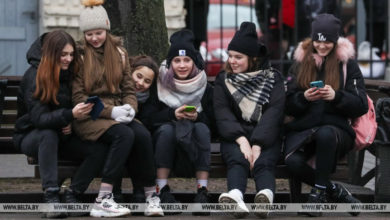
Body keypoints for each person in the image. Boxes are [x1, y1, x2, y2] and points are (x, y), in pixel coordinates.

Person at [73, 0, 162, 217]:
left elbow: (128, 89)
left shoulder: (120, 54)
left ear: (106, 29)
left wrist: (130, 108)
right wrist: (110, 112)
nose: (94, 38)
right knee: (123, 134)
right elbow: (79, 97)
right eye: (89, 34)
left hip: (118, 112)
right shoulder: (80, 57)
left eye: (98, 32)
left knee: (140, 134)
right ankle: (104, 198)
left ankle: (151, 196)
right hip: (89, 117)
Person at [13, 30, 108, 218]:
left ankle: (73, 194)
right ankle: (51, 197)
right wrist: (68, 115)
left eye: (71, 54)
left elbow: (69, 109)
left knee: (98, 149)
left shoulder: (71, 71)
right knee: (48, 135)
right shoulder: (34, 75)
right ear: (51, 53)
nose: (68, 59)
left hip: (62, 134)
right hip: (32, 135)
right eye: (63, 55)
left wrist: (72, 120)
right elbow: (39, 119)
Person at [284, 14, 366, 217]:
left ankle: (318, 195)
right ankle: (336, 191)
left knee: (326, 133)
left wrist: (336, 96)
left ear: (336, 40)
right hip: (305, 129)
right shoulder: (301, 62)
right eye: (318, 40)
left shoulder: (348, 64)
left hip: (337, 132)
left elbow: (361, 105)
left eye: (327, 41)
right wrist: (304, 98)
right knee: (292, 161)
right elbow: (287, 104)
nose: (322, 46)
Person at [214, 21, 285, 219]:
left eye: (238, 57)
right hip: (234, 134)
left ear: (252, 59)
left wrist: (258, 144)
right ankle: (235, 197)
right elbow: (222, 111)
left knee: (263, 161)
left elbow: (274, 112)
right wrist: (242, 140)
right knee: (237, 159)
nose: (232, 61)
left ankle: (265, 198)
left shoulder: (273, 78)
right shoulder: (223, 79)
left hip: (266, 132)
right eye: (230, 56)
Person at [148, 29, 214, 215]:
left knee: (201, 128)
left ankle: (202, 192)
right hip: (167, 144)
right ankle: (162, 191)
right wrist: (171, 114)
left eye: (187, 60)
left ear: (194, 62)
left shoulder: (205, 87)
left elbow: (214, 121)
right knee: (167, 130)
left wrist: (198, 117)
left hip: (194, 143)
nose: (182, 65)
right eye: (177, 60)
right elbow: (149, 118)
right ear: (170, 64)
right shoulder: (160, 84)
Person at [112, 55, 163, 216]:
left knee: (139, 137)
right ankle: (115, 192)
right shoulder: (118, 89)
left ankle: (141, 191)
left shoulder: (150, 100)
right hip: (114, 132)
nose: (140, 83)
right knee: (124, 137)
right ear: (131, 72)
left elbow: (148, 121)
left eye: (147, 81)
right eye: (138, 76)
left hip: (139, 143)